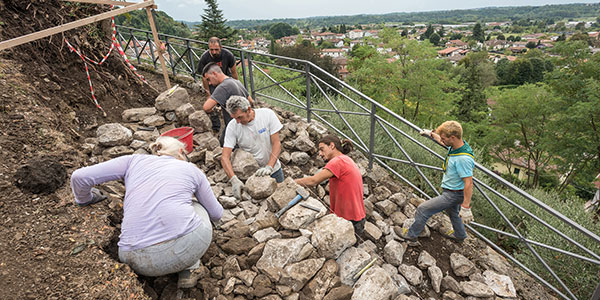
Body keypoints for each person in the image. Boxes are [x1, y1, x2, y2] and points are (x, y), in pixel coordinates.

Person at [70, 136, 223, 288]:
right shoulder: (191, 170)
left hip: (132, 259)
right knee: (197, 205)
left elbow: (79, 176)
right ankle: (190, 267)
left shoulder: (133, 161)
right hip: (180, 251)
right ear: (181, 152)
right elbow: (216, 214)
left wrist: (85, 200)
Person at [398, 120, 474, 245]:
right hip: (453, 190)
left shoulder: (463, 159)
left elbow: (469, 182)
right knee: (453, 212)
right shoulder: (458, 146)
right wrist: (431, 134)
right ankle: (460, 235)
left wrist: (466, 207)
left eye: (444, 139)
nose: (442, 142)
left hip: (454, 194)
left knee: (423, 209)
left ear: (453, 137)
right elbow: (443, 142)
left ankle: (411, 235)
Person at [294, 135, 366, 234]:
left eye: (322, 149)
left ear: (332, 146)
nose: (320, 154)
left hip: (348, 220)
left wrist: (291, 182)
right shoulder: (346, 159)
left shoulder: (337, 161)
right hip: (356, 217)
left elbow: (313, 181)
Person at [222, 96, 283, 200]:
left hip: (274, 170)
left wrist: (269, 167)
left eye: (239, 117)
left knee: (281, 197)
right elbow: (224, 157)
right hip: (252, 177)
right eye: (234, 118)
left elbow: (276, 144)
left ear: (249, 110)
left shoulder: (267, 115)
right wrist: (233, 179)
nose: (237, 121)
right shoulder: (233, 126)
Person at [202, 62, 254, 146]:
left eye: (208, 79)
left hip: (235, 127)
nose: (209, 83)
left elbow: (206, 107)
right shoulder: (236, 81)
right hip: (245, 123)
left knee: (227, 148)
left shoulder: (223, 86)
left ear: (214, 74)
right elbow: (251, 101)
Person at [196, 37, 239, 134]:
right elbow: (203, 77)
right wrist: (208, 93)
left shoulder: (228, 55)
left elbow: (234, 72)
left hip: (226, 81)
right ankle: (216, 127)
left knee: (228, 104)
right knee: (212, 106)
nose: (214, 52)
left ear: (221, 47)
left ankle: (232, 123)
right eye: (211, 50)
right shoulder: (205, 57)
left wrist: (236, 84)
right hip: (212, 83)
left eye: (216, 49)